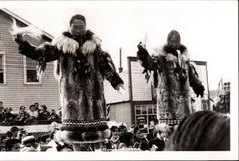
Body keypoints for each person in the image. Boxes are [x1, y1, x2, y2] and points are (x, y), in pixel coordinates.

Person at [12, 14, 124, 150]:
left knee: (97, 134)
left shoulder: (94, 47)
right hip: (72, 98)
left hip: (94, 97)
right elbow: (41, 54)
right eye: (75, 27)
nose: (78, 30)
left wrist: (117, 83)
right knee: (74, 135)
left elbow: (105, 65)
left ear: (85, 27)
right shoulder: (62, 45)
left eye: (81, 27)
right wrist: (23, 44)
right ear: (70, 27)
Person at [137, 30, 204, 126]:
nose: (173, 43)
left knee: (183, 133)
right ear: (168, 41)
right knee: (168, 133)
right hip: (167, 105)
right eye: (171, 41)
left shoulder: (184, 59)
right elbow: (150, 64)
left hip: (184, 106)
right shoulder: (161, 57)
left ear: (179, 42)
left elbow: (191, 75)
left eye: (176, 41)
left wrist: (198, 86)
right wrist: (142, 52)